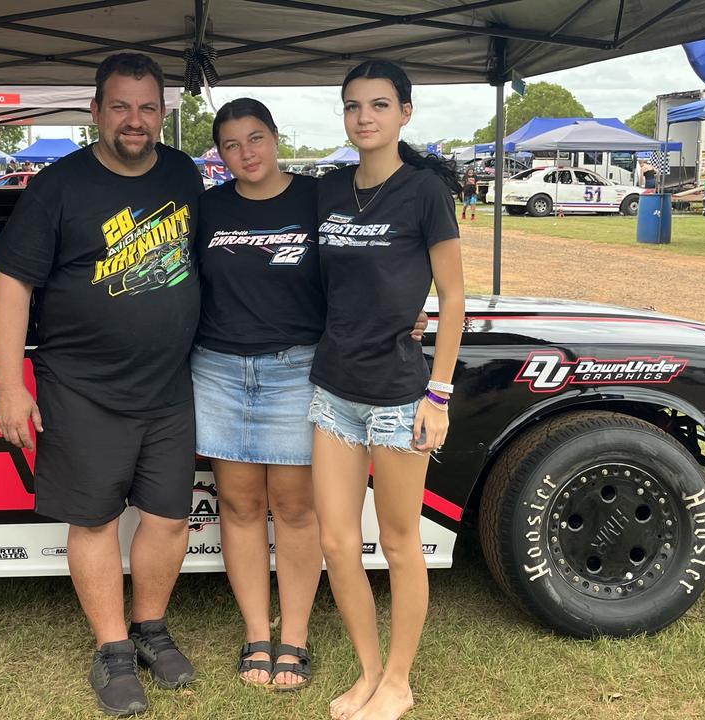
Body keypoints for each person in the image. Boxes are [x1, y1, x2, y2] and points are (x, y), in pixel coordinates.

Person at [0, 53, 202, 717]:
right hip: (80, 385)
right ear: (96, 112)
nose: (134, 121)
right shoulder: (58, 187)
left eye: (146, 108)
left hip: (169, 385)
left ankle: (151, 629)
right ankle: (112, 650)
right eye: (120, 107)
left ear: (161, 114)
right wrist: (9, 384)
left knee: (169, 518)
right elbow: (12, 284)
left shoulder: (182, 172)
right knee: (95, 519)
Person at [310, 60, 465, 720]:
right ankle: (369, 671)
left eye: (378, 104)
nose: (363, 117)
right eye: (352, 106)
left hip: (402, 394)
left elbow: (454, 298)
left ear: (405, 112)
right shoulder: (327, 191)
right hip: (333, 391)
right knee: (339, 543)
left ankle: (400, 681)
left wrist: (438, 395)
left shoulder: (425, 192)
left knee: (400, 542)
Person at [194, 98, 323, 691]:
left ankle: (293, 636)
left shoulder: (316, 198)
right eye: (231, 145)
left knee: (295, 508)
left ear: (275, 137)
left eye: (256, 139)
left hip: (296, 370)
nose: (246, 153)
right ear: (220, 154)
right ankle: (256, 635)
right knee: (240, 506)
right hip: (218, 370)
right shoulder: (207, 207)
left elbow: (366, 264)